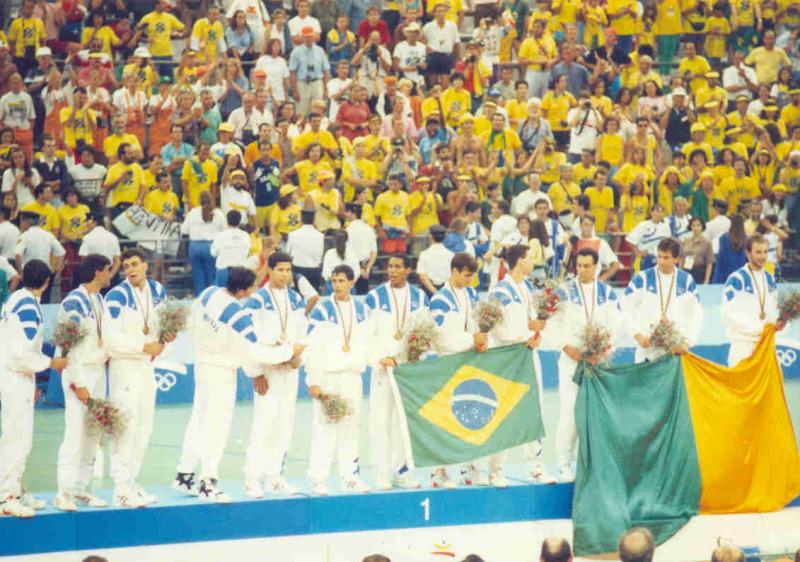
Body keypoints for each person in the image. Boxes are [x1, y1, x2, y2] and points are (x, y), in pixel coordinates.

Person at [173, 266, 302, 503]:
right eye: (252, 287)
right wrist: (289, 350)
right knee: (216, 427)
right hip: (221, 373)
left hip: (201, 365)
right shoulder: (238, 316)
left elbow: (192, 320)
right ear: (243, 291)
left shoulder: (209, 293)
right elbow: (255, 353)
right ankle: (208, 483)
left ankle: (184, 475)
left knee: (198, 421)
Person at [103, 249, 172, 507]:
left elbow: (164, 327)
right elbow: (110, 342)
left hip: (146, 367)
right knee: (126, 427)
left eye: (135, 265)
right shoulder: (116, 296)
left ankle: (131, 481)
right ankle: (120, 487)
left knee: (144, 426)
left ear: (146, 265)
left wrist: (166, 339)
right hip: (124, 366)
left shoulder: (157, 291)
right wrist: (142, 347)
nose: (130, 270)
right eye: (126, 266)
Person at [0, 259, 67, 517]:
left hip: (16, 377)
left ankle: (15, 489)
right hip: (15, 376)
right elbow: (21, 355)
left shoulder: (16, 299)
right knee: (17, 439)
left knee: (17, 437)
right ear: (47, 281)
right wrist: (51, 363)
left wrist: (34, 378)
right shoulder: (27, 307)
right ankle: (6, 497)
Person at [241, 253, 309, 497]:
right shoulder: (257, 299)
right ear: (269, 271)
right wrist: (255, 372)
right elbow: (248, 337)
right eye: (280, 269)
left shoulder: (296, 299)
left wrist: (297, 357)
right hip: (267, 368)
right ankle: (252, 478)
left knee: (284, 423)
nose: (284, 273)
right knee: (264, 423)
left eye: (288, 269)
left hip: (289, 368)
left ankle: (275, 477)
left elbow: (302, 334)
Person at [488, 244, 554, 484]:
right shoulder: (499, 291)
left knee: (534, 410)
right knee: (503, 413)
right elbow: (498, 329)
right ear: (519, 261)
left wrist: (537, 335)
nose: (533, 262)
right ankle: (496, 470)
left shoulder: (527, 288)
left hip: (528, 355)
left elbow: (534, 321)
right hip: (507, 359)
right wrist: (529, 329)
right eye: (530, 258)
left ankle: (535, 466)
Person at [553, 248, 620, 482]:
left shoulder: (608, 293)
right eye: (579, 266)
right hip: (571, 361)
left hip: (598, 362)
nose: (582, 270)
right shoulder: (564, 291)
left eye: (587, 266)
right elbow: (554, 324)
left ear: (596, 267)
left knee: (596, 415)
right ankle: (564, 463)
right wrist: (568, 348)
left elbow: (615, 326)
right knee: (571, 411)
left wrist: (603, 352)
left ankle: (591, 464)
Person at [305, 264, 373, 495]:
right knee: (325, 428)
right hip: (328, 376)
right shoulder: (323, 311)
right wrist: (312, 380)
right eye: (334, 281)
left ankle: (350, 477)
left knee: (351, 427)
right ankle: (319, 479)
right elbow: (311, 347)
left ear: (352, 282)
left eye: (342, 280)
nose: (337, 285)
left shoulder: (362, 310)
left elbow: (367, 343)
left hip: (352, 376)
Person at [54, 254, 112, 512]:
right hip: (79, 373)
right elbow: (69, 346)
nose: (112, 273)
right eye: (109, 270)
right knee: (74, 433)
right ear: (98, 272)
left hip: (97, 371)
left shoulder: (98, 299)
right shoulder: (73, 302)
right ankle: (63, 492)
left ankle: (82, 487)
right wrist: (78, 383)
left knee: (92, 432)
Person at [365, 253, 427, 490]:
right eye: (390, 266)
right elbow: (367, 334)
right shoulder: (374, 297)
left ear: (408, 270)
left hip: (407, 369)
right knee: (381, 421)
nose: (392, 270)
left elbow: (424, 332)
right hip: (382, 367)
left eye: (398, 267)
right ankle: (382, 473)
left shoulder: (420, 297)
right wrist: (380, 358)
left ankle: (403, 471)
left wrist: (410, 358)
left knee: (404, 422)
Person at [428, 252, 484, 489]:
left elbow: (476, 325)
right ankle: (438, 472)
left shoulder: (471, 293)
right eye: (467, 275)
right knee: (446, 420)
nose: (471, 280)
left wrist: (480, 339)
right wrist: (473, 339)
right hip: (448, 364)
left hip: (469, 363)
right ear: (455, 271)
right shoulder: (439, 301)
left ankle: (468, 467)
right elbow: (442, 341)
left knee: (470, 418)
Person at [622, 238, 702, 364]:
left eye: (666, 258)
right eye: (659, 256)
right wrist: (637, 335)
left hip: (674, 350)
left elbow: (695, 314)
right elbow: (625, 309)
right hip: (647, 350)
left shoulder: (686, 281)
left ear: (677, 259)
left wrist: (687, 342)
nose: (661, 261)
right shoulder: (642, 279)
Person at [721, 235, 784, 367]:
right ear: (747, 253)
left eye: (765, 252)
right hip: (744, 346)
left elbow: (773, 308)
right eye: (758, 252)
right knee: (741, 387)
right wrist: (759, 329)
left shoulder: (769, 278)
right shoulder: (737, 279)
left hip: (767, 345)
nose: (763, 256)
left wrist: (778, 322)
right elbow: (729, 314)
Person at [210, 210, 256, 287]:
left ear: (227, 221)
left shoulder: (221, 236)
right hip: (240, 270)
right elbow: (247, 252)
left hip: (223, 269)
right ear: (240, 221)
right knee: (238, 296)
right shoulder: (246, 236)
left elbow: (213, 253)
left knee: (222, 295)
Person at [625, 204, 672, 271]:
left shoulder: (666, 227)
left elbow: (669, 244)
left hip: (660, 260)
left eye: (661, 212)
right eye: (657, 211)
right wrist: (637, 252)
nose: (659, 214)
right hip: (645, 259)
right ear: (651, 212)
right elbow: (629, 240)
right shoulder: (643, 225)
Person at [286, 209, 324, 291]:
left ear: (301, 219)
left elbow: (288, 253)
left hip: (297, 270)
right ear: (313, 220)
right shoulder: (320, 236)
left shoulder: (293, 234)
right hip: (314, 271)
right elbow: (321, 254)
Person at [416, 224, 454, 296]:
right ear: (445, 236)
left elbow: (423, 277)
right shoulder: (451, 255)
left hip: (429, 290)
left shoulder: (424, 254)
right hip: (447, 290)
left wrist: (436, 293)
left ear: (430, 236)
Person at [681, 217, 714, 285]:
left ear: (702, 227)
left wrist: (706, 280)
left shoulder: (707, 243)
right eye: (693, 225)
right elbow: (681, 259)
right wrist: (679, 274)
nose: (696, 228)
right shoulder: (686, 240)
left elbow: (709, 263)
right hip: (686, 271)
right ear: (690, 227)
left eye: (698, 225)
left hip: (698, 272)